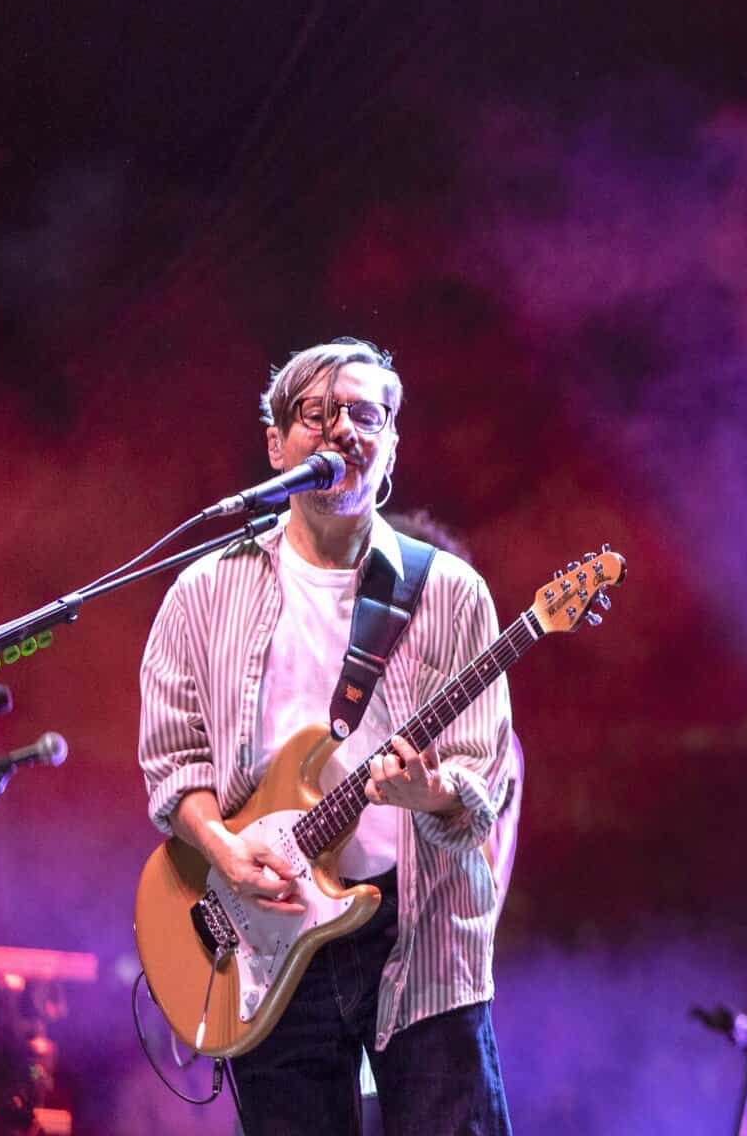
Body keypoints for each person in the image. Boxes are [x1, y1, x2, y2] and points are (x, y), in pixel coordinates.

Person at [138, 339, 518, 1135]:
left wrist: (433, 792)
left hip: (420, 935)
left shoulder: (451, 594)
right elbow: (173, 761)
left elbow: (483, 778)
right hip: (264, 929)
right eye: (316, 414)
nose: (343, 429)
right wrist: (224, 851)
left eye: (366, 415)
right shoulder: (204, 592)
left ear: (392, 449)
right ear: (277, 446)